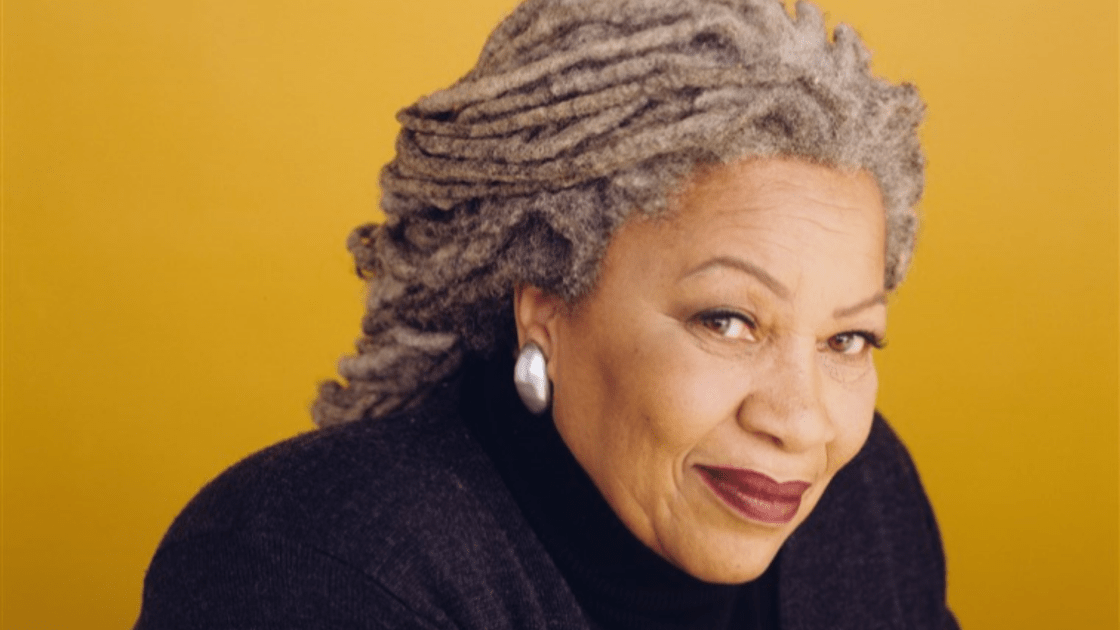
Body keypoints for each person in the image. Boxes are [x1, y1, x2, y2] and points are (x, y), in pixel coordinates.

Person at [136, 0, 957, 627]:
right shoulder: (309, 566)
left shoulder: (864, 505)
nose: (801, 422)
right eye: (727, 321)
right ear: (545, 309)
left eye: (848, 339)